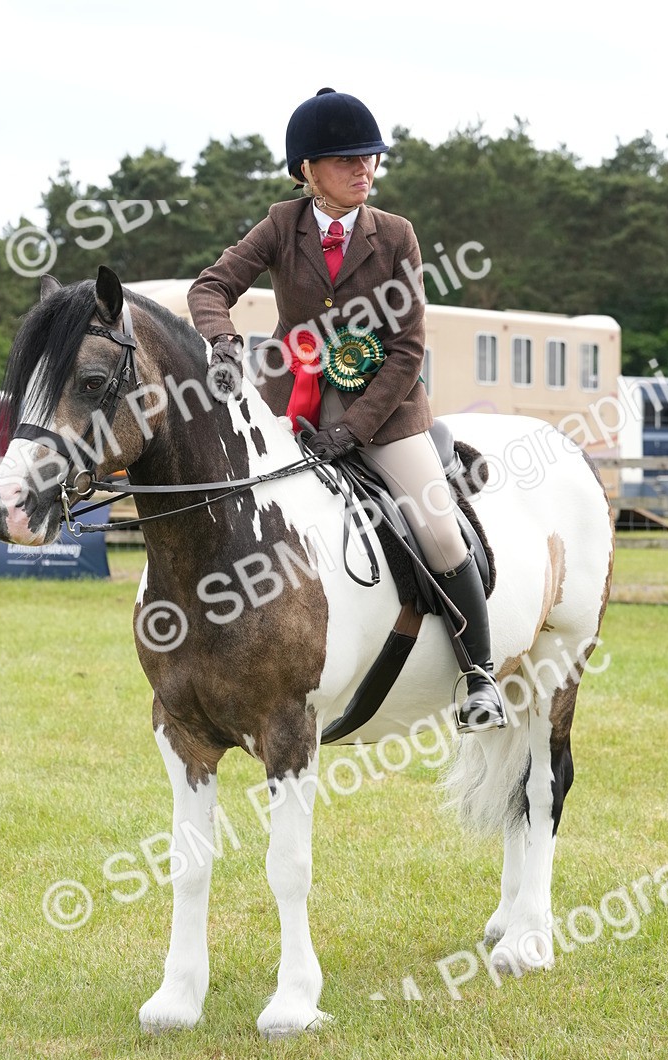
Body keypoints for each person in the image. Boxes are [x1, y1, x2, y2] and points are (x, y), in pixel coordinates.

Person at [187, 88, 506, 732]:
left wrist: (354, 430)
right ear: (307, 169)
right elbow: (210, 286)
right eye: (346, 159)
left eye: (371, 157)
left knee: (440, 530)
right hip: (291, 408)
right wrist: (222, 340)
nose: (365, 169)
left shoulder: (396, 235)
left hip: (384, 414)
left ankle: (480, 677)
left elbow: (408, 348)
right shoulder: (282, 225)